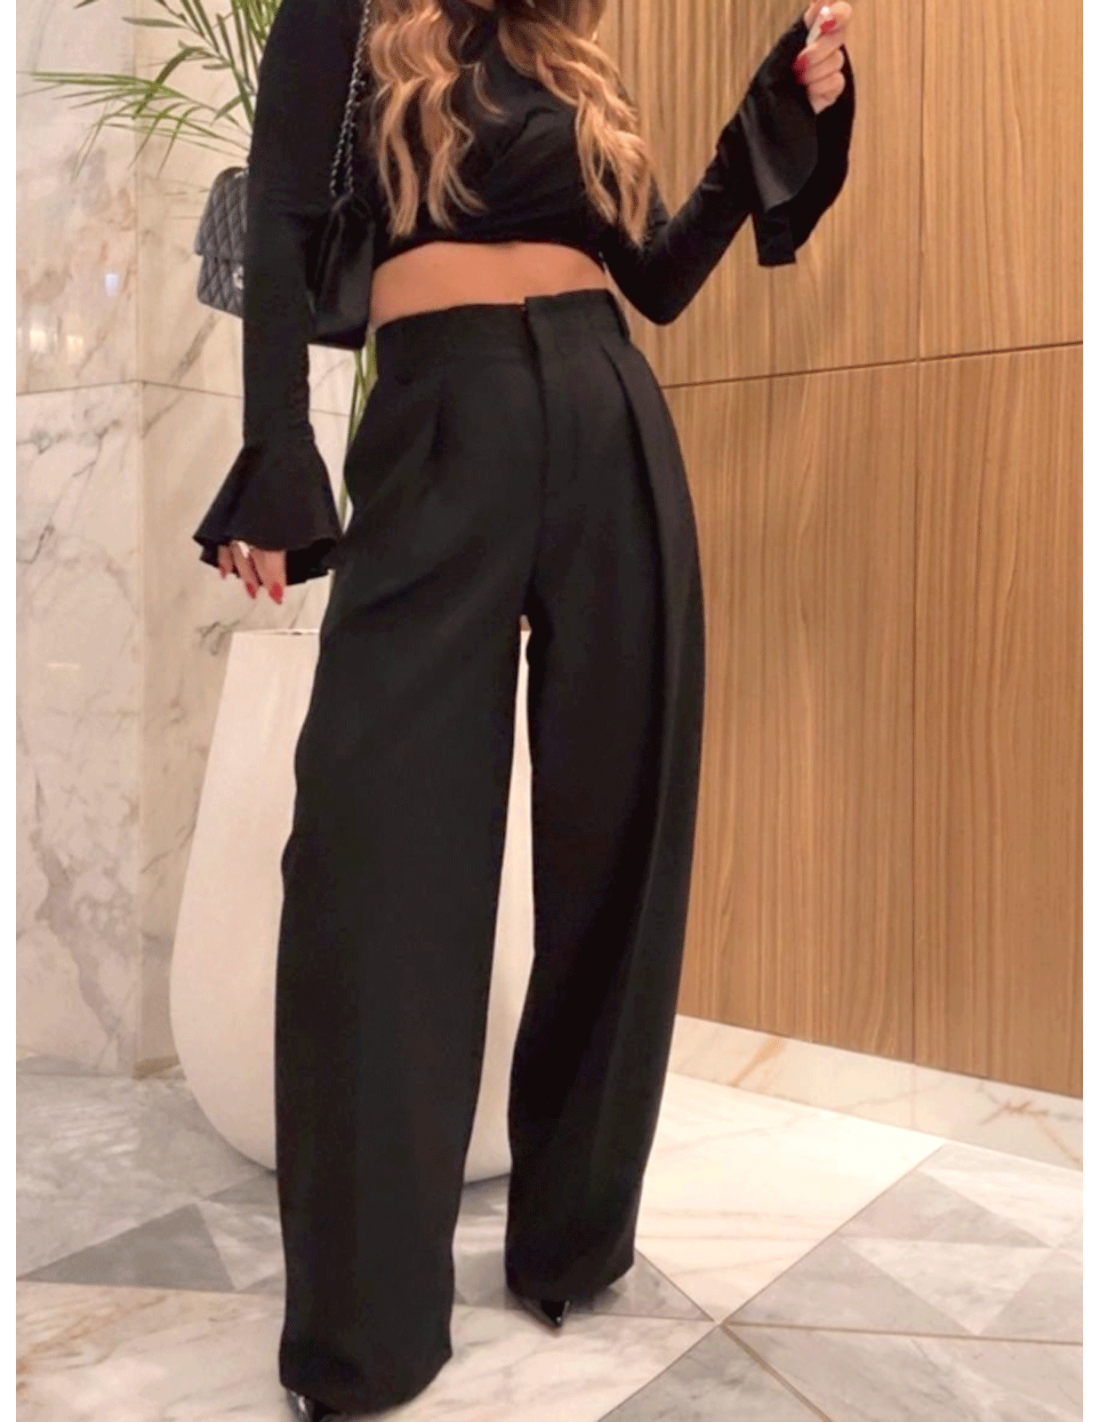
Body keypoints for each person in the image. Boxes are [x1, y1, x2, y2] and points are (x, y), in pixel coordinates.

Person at [192, 1, 855, 1416]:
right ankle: (366, 1331)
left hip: (610, 411)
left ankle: (572, 1238)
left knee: (623, 829)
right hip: (439, 420)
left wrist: (771, 117)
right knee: (374, 860)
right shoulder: (350, 18)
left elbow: (657, 278)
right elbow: (285, 217)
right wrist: (277, 454)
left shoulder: (562, 60)